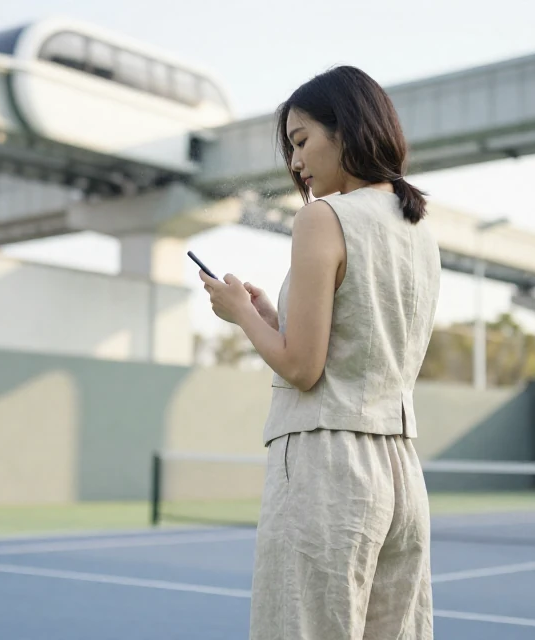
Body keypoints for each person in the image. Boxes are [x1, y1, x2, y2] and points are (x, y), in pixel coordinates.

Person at [199, 65, 442, 640]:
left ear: (348, 129)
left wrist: (239, 316)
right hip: (401, 471)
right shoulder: (419, 230)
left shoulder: (322, 217)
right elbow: (355, 346)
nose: (295, 162)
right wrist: (270, 320)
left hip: (327, 467)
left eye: (302, 140)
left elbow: (302, 369)